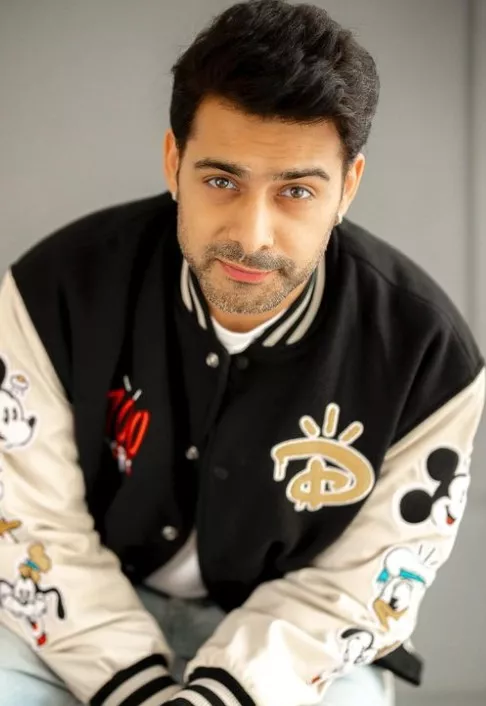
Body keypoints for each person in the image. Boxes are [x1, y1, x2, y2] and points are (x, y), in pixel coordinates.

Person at [0, 0, 483, 704]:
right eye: (221, 181)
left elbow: (365, 580)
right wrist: (139, 689)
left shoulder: (429, 358)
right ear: (174, 162)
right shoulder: (51, 293)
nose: (253, 235)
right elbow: (29, 525)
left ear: (348, 186)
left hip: (305, 640)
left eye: (296, 190)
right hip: (68, 611)